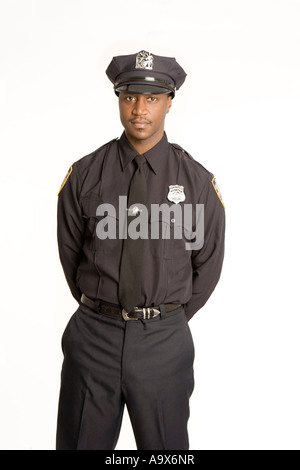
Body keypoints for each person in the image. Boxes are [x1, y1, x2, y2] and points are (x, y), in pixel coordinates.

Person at [56, 50, 225, 450]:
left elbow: (209, 263)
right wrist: (103, 307)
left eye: (151, 98)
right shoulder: (85, 175)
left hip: (163, 342)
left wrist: (163, 319)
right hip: (94, 338)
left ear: (169, 103)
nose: (139, 109)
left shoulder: (197, 183)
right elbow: (70, 252)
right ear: (118, 99)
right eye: (130, 96)